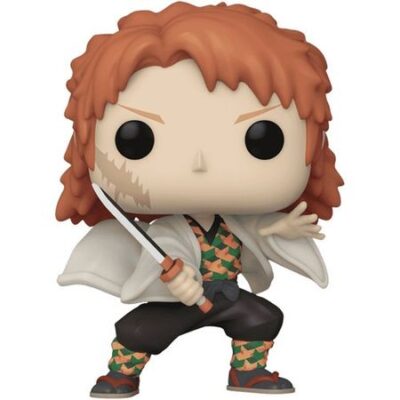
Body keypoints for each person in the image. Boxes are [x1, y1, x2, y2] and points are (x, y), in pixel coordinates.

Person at [56, 2, 343, 397]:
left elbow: (254, 232)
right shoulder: (170, 230)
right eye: (136, 138)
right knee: (140, 330)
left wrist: (282, 226)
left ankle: (247, 372)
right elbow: (165, 254)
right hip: (180, 300)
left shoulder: (233, 221)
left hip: (226, 294)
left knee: (262, 317)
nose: (199, 163)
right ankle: (120, 373)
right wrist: (178, 279)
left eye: (262, 138)